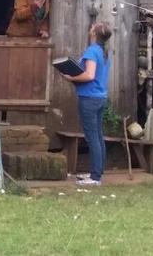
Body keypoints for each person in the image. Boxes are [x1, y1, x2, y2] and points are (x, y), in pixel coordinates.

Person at [61, 21, 113, 186]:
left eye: (92, 27)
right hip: (100, 97)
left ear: (94, 33)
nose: (90, 28)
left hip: (89, 98)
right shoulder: (104, 51)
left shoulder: (92, 51)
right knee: (98, 136)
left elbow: (89, 75)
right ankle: (97, 173)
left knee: (92, 138)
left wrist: (70, 77)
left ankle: (95, 178)